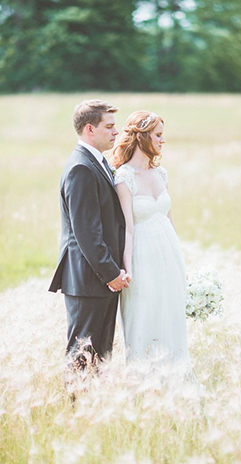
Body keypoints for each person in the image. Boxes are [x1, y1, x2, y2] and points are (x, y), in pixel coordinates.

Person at [49, 99, 129, 370]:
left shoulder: (97, 162)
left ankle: (93, 410)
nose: (115, 132)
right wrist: (111, 274)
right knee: (82, 356)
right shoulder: (81, 168)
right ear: (89, 129)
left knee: (100, 356)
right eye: (109, 126)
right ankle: (75, 410)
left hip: (100, 279)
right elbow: (86, 232)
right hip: (89, 280)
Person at [113, 111, 193, 374]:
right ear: (142, 137)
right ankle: (143, 383)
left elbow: (169, 221)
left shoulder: (162, 174)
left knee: (170, 317)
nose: (163, 141)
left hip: (168, 255)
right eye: (158, 135)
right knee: (145, 318)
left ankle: (176, 378)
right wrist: (129, 269)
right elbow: (129, 228)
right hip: (142, 257)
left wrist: (181, 262)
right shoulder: (124, 177)